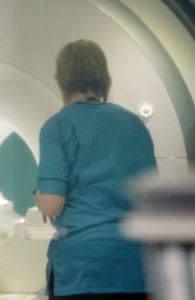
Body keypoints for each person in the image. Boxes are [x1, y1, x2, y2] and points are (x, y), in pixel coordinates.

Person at [35, 39, 157, 300]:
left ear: (61, 79)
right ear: (104, 75)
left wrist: (38, 192)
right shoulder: (135, 124)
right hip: (137, 264)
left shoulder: (57, 126)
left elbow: (51, 204)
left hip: (84, 269)